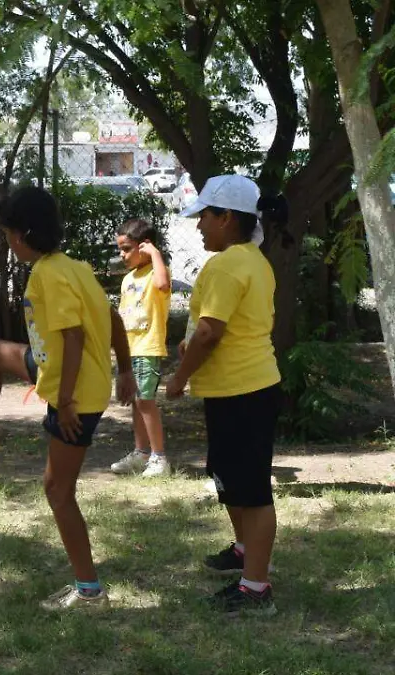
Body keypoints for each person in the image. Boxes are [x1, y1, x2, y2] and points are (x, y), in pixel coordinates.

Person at [0, 186, 135, 610]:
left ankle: (89, 592)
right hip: (61, 373)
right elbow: (112, 317)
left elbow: (75, 336)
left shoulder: (48, 273)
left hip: (75, 393)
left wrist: (63, 402)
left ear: (23, 234)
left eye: (8, 234)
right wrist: (125, 369)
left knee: (58, 490)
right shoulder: (74, 267)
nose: (7, 243)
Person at [166, 175, 286, 617]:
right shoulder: (253, 260)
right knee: (230, 475)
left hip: (243, 391)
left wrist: (179, 377)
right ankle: (243, 552)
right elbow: (218, 327)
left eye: (204, 218)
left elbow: (208, 331)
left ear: (227, 218)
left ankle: (255, 587)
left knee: (251, 491)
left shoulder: (226, 265)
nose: (198, 226)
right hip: (241, 389)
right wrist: (191, 348)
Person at [109, 218, 172, 477]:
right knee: (136, 402)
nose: (122, 255)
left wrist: (155, 254)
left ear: (144, 246)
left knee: (145, 401)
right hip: (130, 349)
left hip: (148, 347)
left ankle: (159, 458)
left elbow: (163, 285)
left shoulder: (157, 272)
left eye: (127, 249)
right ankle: (141, 452)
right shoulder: (128, 279)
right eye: (120, 249)